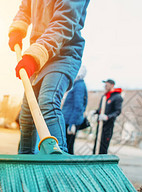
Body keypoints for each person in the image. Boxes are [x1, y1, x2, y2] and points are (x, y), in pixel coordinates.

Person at [8, 0, 90, 154]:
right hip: (39, 55)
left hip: (63, 53)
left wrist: (34, 56)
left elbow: (64, 21)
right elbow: (25, 8)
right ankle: (26, 162)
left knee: (48, 101)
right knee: (26, 116)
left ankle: (58, 162)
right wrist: (18, 28)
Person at [62, 65, 88, 154]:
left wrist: (72, 124)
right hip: (69, 120)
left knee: (68, 147)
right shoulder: (77, 85)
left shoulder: (79, 85)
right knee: (68, 146)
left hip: (70, 121)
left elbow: (78, 106)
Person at [93, 79, 123, 154]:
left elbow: (117, 111)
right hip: (100, 125)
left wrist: (107, 117)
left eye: (107, 84)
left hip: (108, 126)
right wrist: (96, 112)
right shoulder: (105, 96)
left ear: (112, 85)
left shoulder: (117, 97)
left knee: (103, 146)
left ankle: (101, 163)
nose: (105, 86)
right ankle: (94, 161)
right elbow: (102, 109)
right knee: (97, 145)